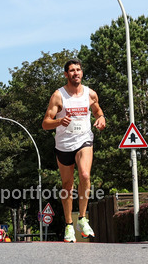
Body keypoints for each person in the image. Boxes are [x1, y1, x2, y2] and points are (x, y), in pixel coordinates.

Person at [42, 57, 106, 243]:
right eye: (72, 70)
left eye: (78, 70)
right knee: (67, 185)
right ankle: (69, 224)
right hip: (64, 145)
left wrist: (101, 119)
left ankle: (83, 218)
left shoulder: (90, 94)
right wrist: (59, 121)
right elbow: (45, 123)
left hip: (84, 140)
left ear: (82, 73)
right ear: (66, 74)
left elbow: (98, 111)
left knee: (85, 175)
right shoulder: (58, 96)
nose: (75, 73)